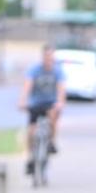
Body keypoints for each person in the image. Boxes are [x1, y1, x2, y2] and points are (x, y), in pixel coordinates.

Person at [17, 45, 66, 173]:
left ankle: (51, 142)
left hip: (51, 103)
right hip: (36, 103)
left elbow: (61, 89)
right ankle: (29, 158)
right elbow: (27, 86)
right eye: (46, 56)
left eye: (51, 57)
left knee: (54, 115)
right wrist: (22, 101)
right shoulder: (34, 70)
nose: (48, 59)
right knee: (31, 131)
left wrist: (60, 102)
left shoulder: (58, 71)